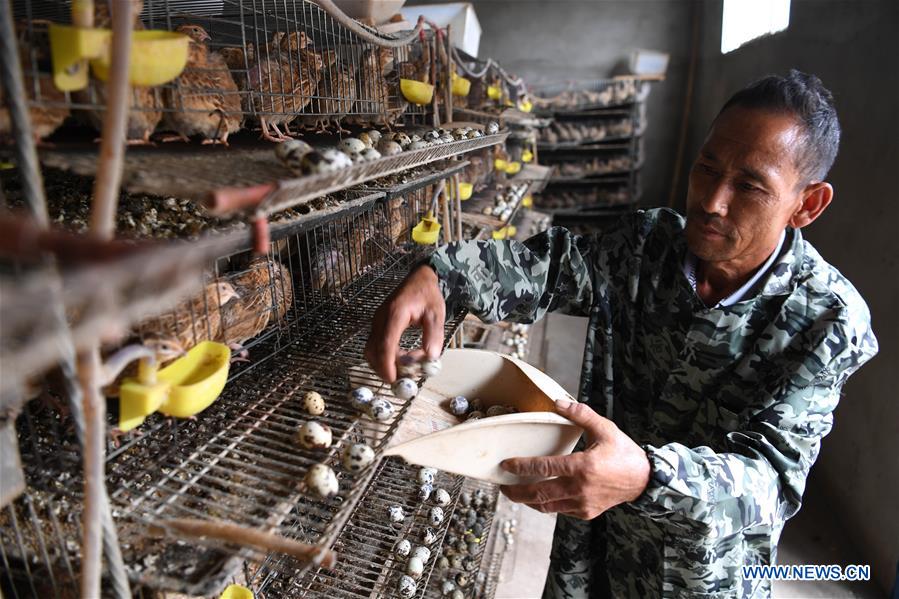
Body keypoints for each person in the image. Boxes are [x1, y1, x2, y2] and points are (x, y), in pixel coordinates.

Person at [364, 70, 879, 598]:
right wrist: (442, 276)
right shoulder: (648, 244)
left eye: (749, 186)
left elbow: (770, 482)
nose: (712, 201)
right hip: (593, 551)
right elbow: (553, 267)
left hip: (695, 576)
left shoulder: (827, 321)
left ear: (806, 204)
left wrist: (647, 477)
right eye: (706, 168)